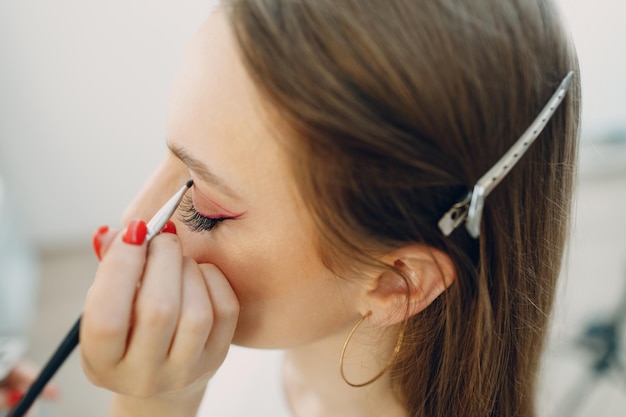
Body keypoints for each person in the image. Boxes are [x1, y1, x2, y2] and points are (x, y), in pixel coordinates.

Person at [80, 1, 581, 416]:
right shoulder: (242, 347)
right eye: (171, 158)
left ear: (396, 281)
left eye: (204, 206)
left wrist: (150, 408)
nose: (134, 217)